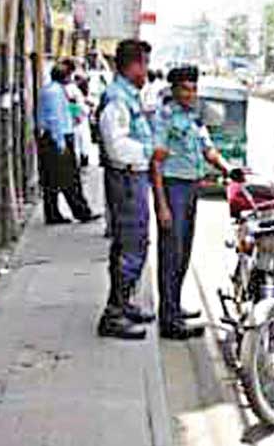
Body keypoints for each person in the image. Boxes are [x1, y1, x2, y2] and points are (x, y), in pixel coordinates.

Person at [150, 66, 237, 340]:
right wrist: (161, 204)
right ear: (174, 90)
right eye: (186, 89)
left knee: (184, 253)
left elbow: (207, 149)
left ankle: (174, 307)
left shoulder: (193, 117)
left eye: (194, 89)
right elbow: (156, 162)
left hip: (191, 189)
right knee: (171, 254)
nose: (191, 94)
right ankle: (169, 321)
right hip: (173, 189)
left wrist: (228, 169)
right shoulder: (165, 117)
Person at [97, 40, 157, 340]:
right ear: (132, 66)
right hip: (126, 179)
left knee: (135, 243)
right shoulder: (117, 98)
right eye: (143, 64)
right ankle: (114, 314)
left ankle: (124, 302)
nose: (146, 70)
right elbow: (116, 145)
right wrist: (149, 151)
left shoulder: (130, 96)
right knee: (130, 245)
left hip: (134, 178)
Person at [37, 61, 99, 225]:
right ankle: (81, 212)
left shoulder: (50, 90)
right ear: (65, 76)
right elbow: (55, 119)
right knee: (70, 179)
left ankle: (53, 214)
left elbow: (63, 111)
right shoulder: (55, 93)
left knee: (51, 180)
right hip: (58, 138)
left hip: (52, 137)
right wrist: (61, 143)